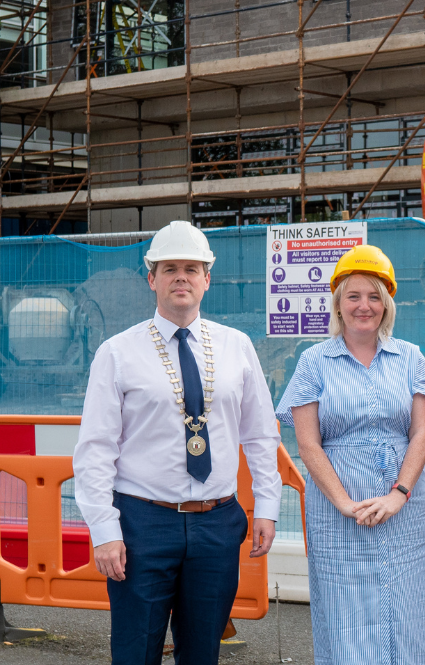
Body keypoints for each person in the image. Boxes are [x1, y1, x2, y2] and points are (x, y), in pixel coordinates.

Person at [73, 220, 281, 665]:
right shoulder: (117, 353)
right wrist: (104, 531)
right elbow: (95, 450)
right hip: (142, 525)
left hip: (216, 523)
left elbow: (261, 434)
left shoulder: (237, 347)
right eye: (170, 268)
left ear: (208, 278)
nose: (181, 277)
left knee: (203, 653)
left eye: (192, 268)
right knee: (135, 652)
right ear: (152, 278)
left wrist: (267, 505)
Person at [276, 244, 425, 664]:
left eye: (374, 296)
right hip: (337, 514)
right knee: (347, 614)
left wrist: (398, 494)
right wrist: (346, 504)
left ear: (387, 303)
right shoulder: (313, 362)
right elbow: (308, 444)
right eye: (353, 296)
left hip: (404, 510)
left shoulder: (410, 358)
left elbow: (422, 433)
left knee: (411, 610)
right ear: (338, 302)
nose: (363, 306)